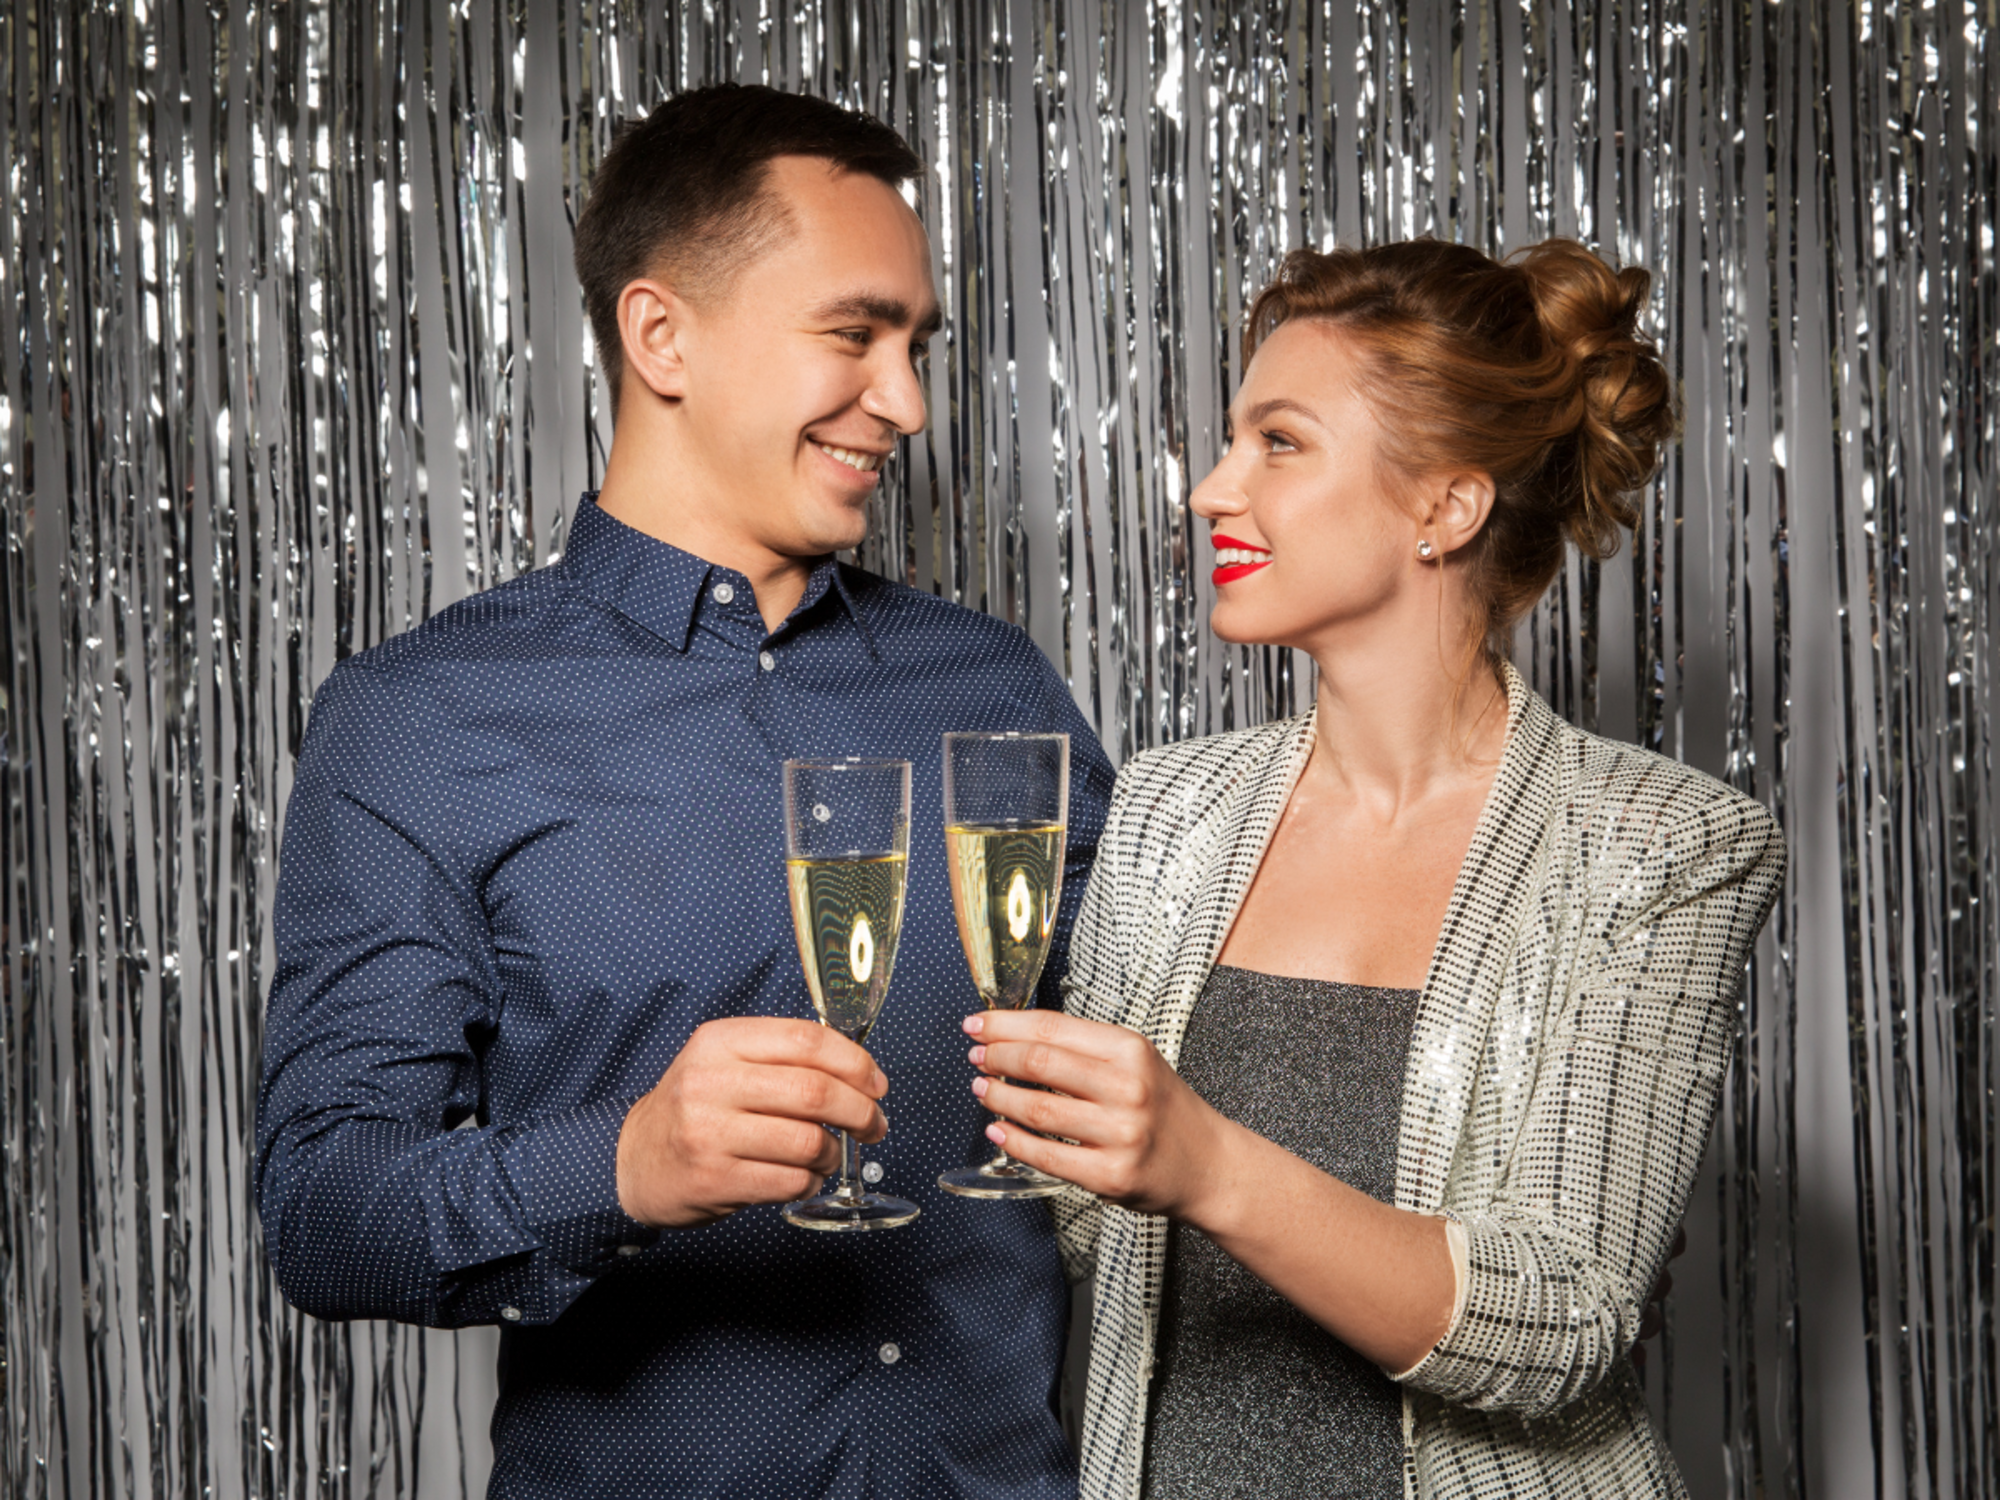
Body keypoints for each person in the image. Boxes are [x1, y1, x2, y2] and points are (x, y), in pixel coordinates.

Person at [254, 84, 1113, 1500]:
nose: (904, 401)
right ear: (662, 336)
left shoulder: (994, 690)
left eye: (915, 346)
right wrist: (625, 1163)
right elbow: (326, 1214)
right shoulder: (419, 720)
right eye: (854, 335)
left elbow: (1148, 1070)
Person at [965, 239, 1786, 1497]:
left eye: (1277, 443)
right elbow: (1091, 1228)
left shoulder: (1661, 846)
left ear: (1443, 507)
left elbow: (1564, 1322)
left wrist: (1209, 1164)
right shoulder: (1169, 808)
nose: (1208, 490)